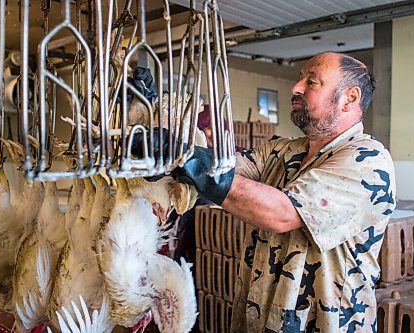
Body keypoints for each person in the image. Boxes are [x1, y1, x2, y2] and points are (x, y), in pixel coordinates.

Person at [170, 52, 396, 332]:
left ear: (350, 97)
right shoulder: (282, 151)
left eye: (311, 82)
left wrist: (194, 164)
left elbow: (283, 213)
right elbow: (227, 169)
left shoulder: (367, 159)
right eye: (300, 78)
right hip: (259, 318)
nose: (296, 87)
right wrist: (171, 148)